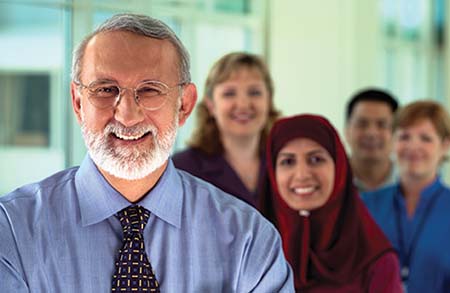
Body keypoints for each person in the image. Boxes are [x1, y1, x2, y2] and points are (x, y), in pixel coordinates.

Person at [0, 14, 293, 292]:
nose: (127, 115)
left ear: (184, 105)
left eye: (151, 90)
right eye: (105, 89)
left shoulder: (248, 239)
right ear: (78, 103)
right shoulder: (11, 231)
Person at [262, 114, 402, 292]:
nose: (302, 175)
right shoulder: (252, 250)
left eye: (316, 159)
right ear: (272, 174)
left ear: (339, 167)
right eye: (287, 161)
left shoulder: (376, 261)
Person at [363, 100, 450, 293]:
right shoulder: (365, 206)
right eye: (404, 137)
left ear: (445, 145)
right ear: (393, 142)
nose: (413, 146)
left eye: (425, 138)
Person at [172, 52, 279, 207]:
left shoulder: (285, 162)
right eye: (229, 93)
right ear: (211, 105)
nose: (243, 105)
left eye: (254, 92)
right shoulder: (182, 169)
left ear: (269, 100)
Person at [344, 88, 399, 192]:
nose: (371, 133)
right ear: (346, 131)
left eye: (382, 124)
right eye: (362, 124)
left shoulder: (412, 185)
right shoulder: (328, 182)